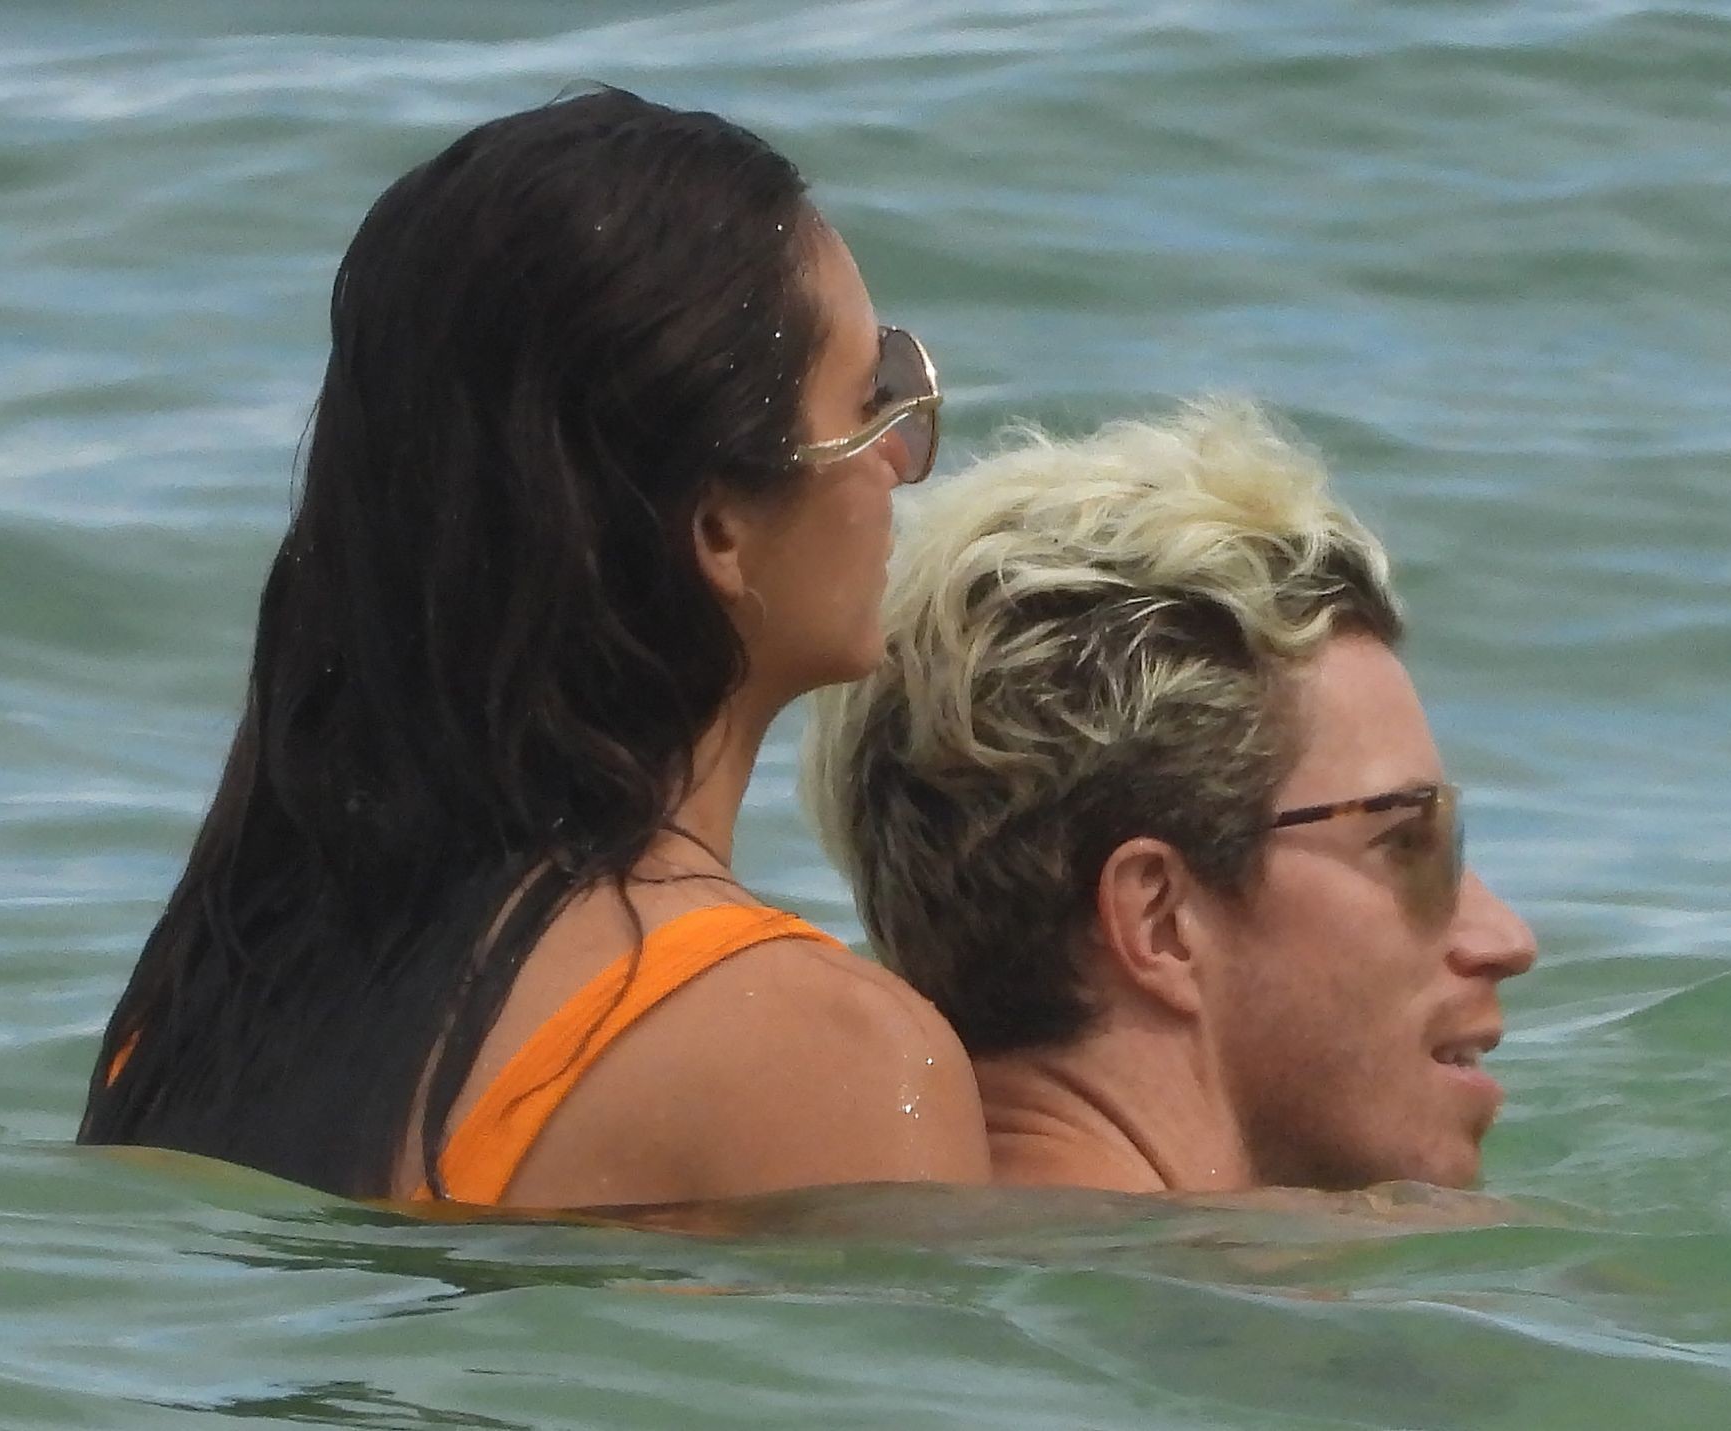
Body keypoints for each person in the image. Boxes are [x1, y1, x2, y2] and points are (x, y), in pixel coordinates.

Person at [79, 88, 988, 1208]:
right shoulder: (822, 1052)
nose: (897, 460)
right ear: (717, 527)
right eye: (869, 399)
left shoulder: (194, 1013)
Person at [804, 400, 1537, 1194]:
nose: (1506, 938)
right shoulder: (1243, 1271)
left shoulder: (825, 1217)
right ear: (1158, 917)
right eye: (1407, 842)